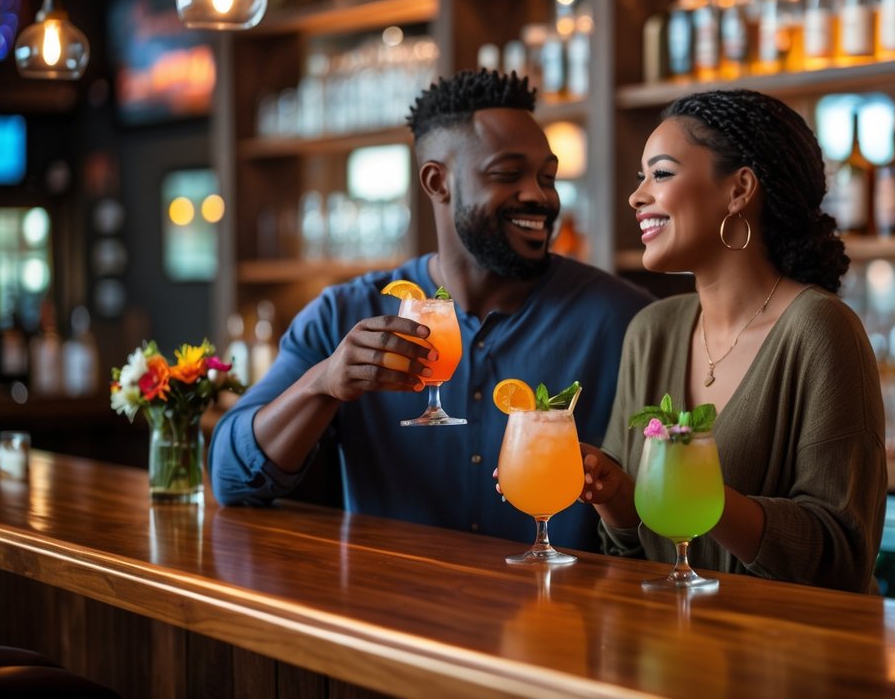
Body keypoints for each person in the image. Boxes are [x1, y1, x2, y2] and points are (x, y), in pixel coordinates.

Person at [209, 70, 653, 550]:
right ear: (437, 181)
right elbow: (231, 479)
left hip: (560, 616)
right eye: (508, 174)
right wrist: (323, 383)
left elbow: (658, 523)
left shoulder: (627, 320)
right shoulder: (344, 314)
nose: (540, 196)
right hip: (391, 613)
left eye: (547, 177)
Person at [580, 89, 887, 593]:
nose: (637, 197)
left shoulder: (821, 329)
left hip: (786, 656)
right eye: (641, 178)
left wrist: (705, 498)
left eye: (660, 173)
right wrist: (615, 496)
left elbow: (842, 556)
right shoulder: (651, 332)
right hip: (666, 648)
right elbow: (629, 554)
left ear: (740, 188)